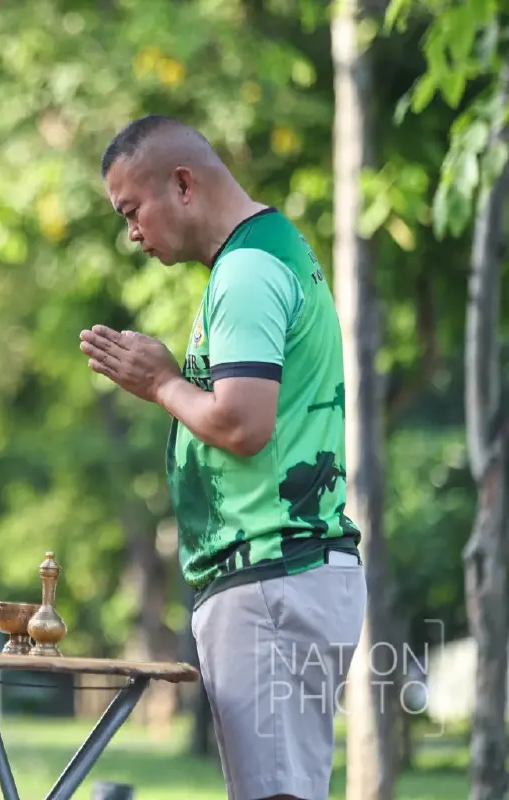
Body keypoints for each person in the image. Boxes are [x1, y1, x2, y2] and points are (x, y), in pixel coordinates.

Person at [80, 114, 367, 800]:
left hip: (272, 582)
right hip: (277, 581)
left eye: (132, 211)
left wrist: (162, 383)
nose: (132, 234)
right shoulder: (269, 253)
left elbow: (242, 425)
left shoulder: (246, 272)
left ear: (182, 183)